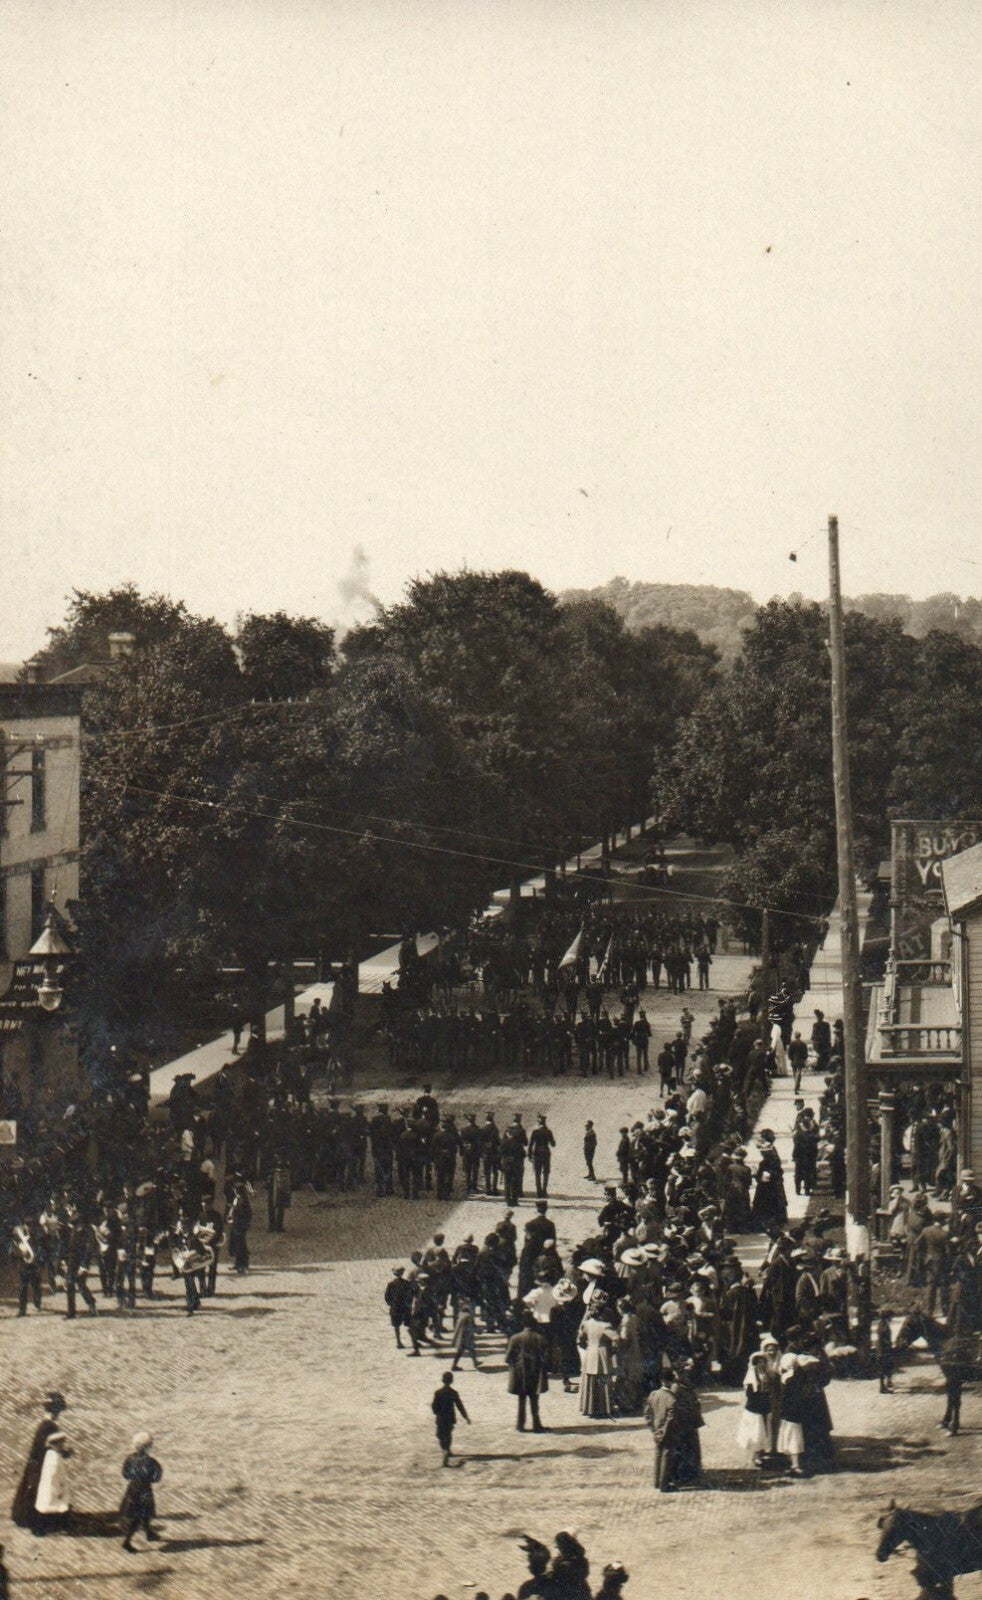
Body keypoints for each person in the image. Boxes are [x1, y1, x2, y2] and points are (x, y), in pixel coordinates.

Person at [12, 1393, 68, 1532]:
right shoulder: (49, 1427)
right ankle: (41, 1520)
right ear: (56, 1411)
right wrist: (65, 1453)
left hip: (38, 1462)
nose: (59, 1414)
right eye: (58, 1411)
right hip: (44, 1464)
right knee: (45, 1490)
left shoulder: (45, 1425)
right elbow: (53, 1447)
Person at [644, 1373, 704, 1491]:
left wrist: (654, 1430)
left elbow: (647, 1414)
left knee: (658, 1455)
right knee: (667, 1456)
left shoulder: (653, 1394)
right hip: (669, 1431)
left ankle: (657, 1482)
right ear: (671, 1382)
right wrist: (665, 1431)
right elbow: (671, 1417)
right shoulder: (672, 1398)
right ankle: (664, 1485)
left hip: (657, 1430)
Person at [505, 1312, 550, 1432]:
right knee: (534, 1401)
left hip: (520, 1373)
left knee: (521, 1400)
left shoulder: (515, 1338)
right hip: (536, 1373)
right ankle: (536, 1425)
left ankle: (520, 1425)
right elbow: (546, 1359)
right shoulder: (540, 1338)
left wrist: (516, 1364)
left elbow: (507, 1358)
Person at [120, 1431, 163, 1551]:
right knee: (142, 1514)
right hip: (145, 1490)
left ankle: (149, 1533)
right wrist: (148, 1479)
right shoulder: (151, 1462)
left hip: (132, 1489)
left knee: (139, 1514)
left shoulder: (129, 1459)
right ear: (149, 1447)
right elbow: (157, 1477)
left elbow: (125, 1474)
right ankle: (127, 1541)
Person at [34, 1432, 71, 1535]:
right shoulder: (54, 1457)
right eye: (61, 1443)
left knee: (49, 1506)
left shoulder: (50, 1454)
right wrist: (59, 1488)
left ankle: (48, 1527)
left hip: (51, 1486)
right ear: (56, 1444)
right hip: (54, 1486)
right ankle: (48, 1528)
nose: (63, 1445)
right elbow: (54, 1474)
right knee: (53, 1506)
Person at [432, 1372, 470, 1467]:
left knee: (440, 1435)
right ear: (451, 1381)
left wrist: (437, 1413)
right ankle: (447, 1450)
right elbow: (460, 1406)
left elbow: (434, 1406)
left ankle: (445, 1451)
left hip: (441, 1418)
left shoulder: (438, 1393)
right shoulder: (453, 1393)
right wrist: (466, 1417)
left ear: (442, 1380)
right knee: (448, 1435)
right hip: (449, 1419)